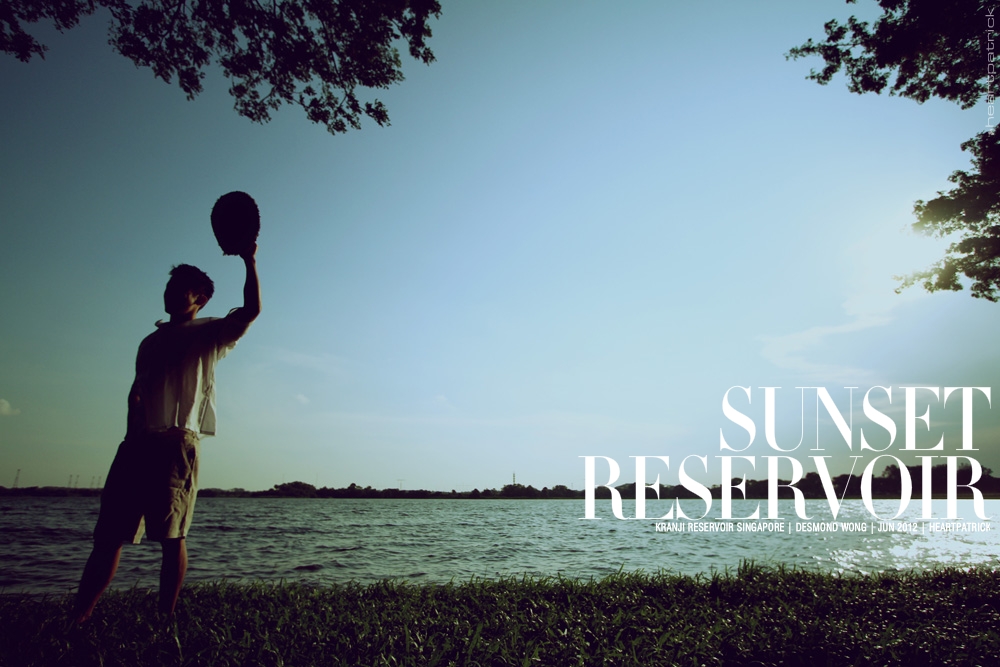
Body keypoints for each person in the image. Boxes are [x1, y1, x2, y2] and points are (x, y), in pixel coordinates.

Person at [73, 244, 260, 623]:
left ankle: (164, 619)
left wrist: (248, 259)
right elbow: (136, 392)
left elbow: (252, 310)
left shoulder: (210, 333)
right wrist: (129, 436)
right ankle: (77, 619)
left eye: (180, 288)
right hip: (135, 446)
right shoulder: (150, 341)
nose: (169, 292)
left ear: (200, 299)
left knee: (172, 536)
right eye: (168, 285)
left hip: (176, 442)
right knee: (107, 537)